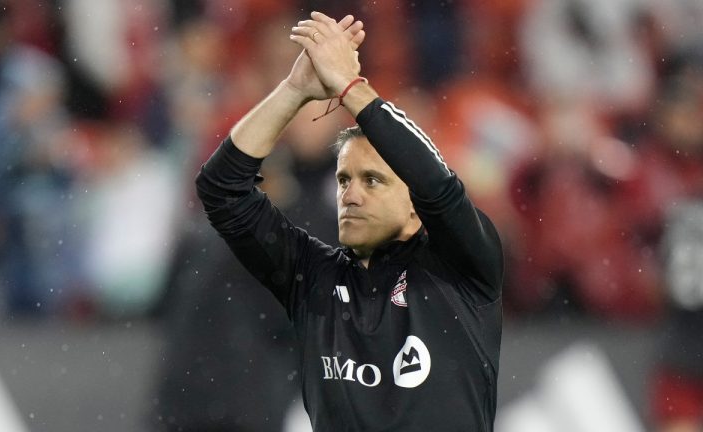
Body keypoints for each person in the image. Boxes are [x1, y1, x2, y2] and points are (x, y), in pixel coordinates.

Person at [195, 11, 503, 431]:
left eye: (372, 180)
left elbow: (439, 185)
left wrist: (350, 87)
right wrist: (295, 90)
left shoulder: (464, 270)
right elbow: (222, 190)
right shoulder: (312, 278)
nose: (350, 194)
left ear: (414, 201)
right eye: (343, 180)